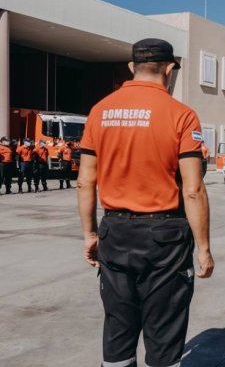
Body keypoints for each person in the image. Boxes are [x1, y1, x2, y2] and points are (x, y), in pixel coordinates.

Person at [77, 38, 214, 367]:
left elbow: (85, 181)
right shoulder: (181, 115)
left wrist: (90, 234)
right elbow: (193, 189)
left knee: (118, 330)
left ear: (131, 67)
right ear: (169, 69)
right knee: (164, 335)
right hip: (164, 237)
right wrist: (204, 248)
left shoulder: (100, 111)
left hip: (115, 232)